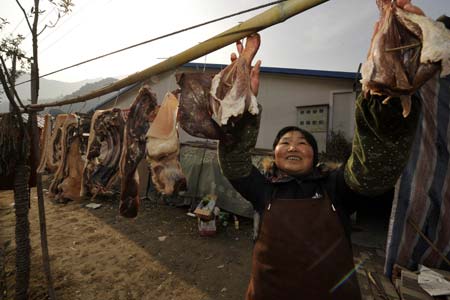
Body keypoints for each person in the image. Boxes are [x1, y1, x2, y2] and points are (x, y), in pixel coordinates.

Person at [217, 1, 428, 299]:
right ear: (274, 154)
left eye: (303, 143)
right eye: (285, 142)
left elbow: (373, 171)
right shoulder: (263, 189)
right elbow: (234, 163)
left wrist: (386, 89)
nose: (293, 146)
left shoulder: (336, 187)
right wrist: (242, 105)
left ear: (315, 157)